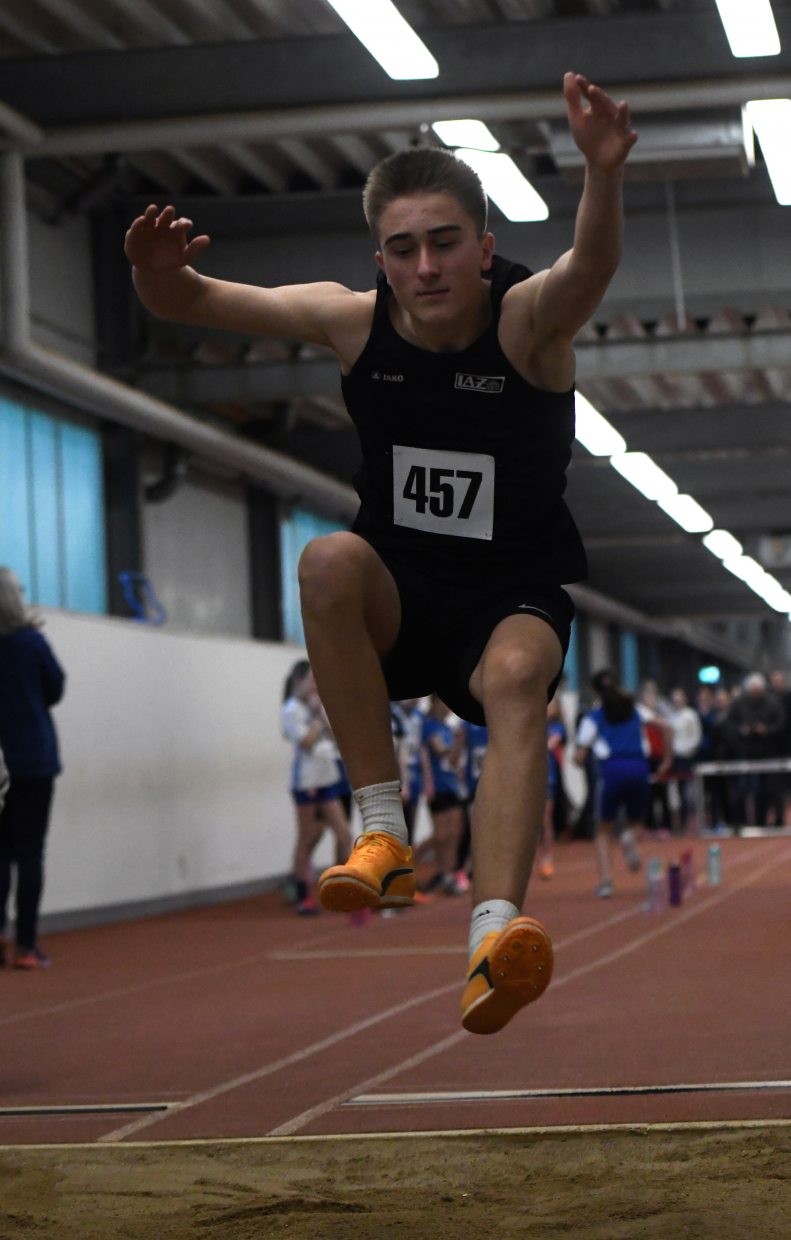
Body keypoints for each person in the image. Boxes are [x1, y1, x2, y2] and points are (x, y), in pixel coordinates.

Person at [126, 72, 636, 1035]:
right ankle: (382, 833)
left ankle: (492, 935)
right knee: (325, 559)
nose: (427, 265)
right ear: (381, 261)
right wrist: (155, 271)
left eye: (446, 243)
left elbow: (590, 268)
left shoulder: (527, 323)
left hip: (508, 593)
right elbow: (195, 300)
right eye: (404, 249)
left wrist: (600, 175)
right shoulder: (351, 321)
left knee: (520, 675)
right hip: (401, 588)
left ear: (484, 250)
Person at [0, 569, 65, 968]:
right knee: (30, 854)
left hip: (4, 758)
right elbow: (56, 687)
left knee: (1, 851)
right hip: (35, 759)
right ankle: (26, 945)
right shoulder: (32, 642)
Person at [281, 661, 351, 915]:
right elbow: (308, 743)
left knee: (344, 834)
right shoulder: (291, 710)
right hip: (307, 782)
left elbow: (336, 736)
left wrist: (321, 714)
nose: (314, 686)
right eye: (310, 680)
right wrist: (316, 720)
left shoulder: (316, 709)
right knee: (307, 837)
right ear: (299, 682)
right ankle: (300, 894)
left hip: (328, 778)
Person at [575, 676, 648, 898]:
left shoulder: (594, 717)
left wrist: (576, 759)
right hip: (638, 766)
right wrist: (666, 758)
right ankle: (629, 837)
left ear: (596, 692)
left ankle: (606, 880)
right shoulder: (635, 710)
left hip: (612, 770)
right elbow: (664, 725)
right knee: (637, 822)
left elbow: (580, 755)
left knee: (603, 828)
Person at [419, 696, 466, 895]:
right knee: (441, 834)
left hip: (451, 785)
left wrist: (459, 744)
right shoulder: (430, 726)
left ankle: (447, 873)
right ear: (435, 703)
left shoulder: (447, 728)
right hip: (437, 786)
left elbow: (453, 761)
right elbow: (438, 751)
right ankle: (419, 865)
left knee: (454, 832)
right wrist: (454, 743)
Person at [727, 672, 785, 826]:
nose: (754, 694)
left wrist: (766, 729)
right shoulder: (739, 703)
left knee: (769, 789)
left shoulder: (772, 703)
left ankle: (771, 822)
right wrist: (742, 730)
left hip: (767, 751)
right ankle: (741, 823)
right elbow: (730, 724)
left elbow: (780, 724)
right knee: (743, 788)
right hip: (745, 751)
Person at [668, 688, 702, 832]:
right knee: (675, 791)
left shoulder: (691, 715)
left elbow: (696, 737)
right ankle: (678, 821)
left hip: (686, 756)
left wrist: (687, 750)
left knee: (685, 791)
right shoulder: (672, 716)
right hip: (674, 756)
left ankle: (686, 821)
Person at [540, 698, 566, 879]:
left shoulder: (557, 727)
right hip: (528, 777)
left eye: (552, 704)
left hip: (546, 777)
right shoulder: (533, 724)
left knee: (545, 818)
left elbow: (552, 743)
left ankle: (547, 856)